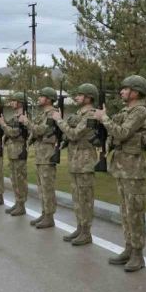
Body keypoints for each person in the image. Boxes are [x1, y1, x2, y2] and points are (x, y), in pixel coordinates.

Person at [97, 76, 146, 271]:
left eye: (125, 89)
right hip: (122, 166)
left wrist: (104, 118)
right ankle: (129, 247)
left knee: (134, 212)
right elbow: (114, 134)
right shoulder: (126, 111)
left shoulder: (140, 111)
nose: (121, 92)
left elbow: (121, 133)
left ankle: (138, 254)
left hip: (133, 168)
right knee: (125, 211)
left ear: (135, 92)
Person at [53, 83, 100, 245]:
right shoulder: (79, 114)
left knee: (85, 199)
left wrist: (59, 120)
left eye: (80, 94)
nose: (77, 97)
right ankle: (80, 227)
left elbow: (73, 134)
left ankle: (86, 232)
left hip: (85, 161)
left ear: (89, 97)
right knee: (77, 198)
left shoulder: (91, 115)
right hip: (75, 160)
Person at [23, 87, 59, 228]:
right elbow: (35, 132)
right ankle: (45, 213)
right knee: (41, 186)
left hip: (47, 155)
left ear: (49, 99)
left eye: (41, 96)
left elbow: (40, 130)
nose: (38, 98)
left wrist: (27, 122)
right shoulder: (43, 114)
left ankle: (49, 217)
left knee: (47, 187)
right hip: (40, 154)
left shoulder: (52, 114)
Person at [0, 93, 29, 216]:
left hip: (19, 151)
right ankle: (17, 202)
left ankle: (21, 205)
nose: (11, 103)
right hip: (12, 151)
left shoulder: (23, 117)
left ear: (20, 102)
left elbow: (14, 133)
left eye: (14, 100)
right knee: (14, 179)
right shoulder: (15, 117)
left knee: (20, 179)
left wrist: (3, 124)